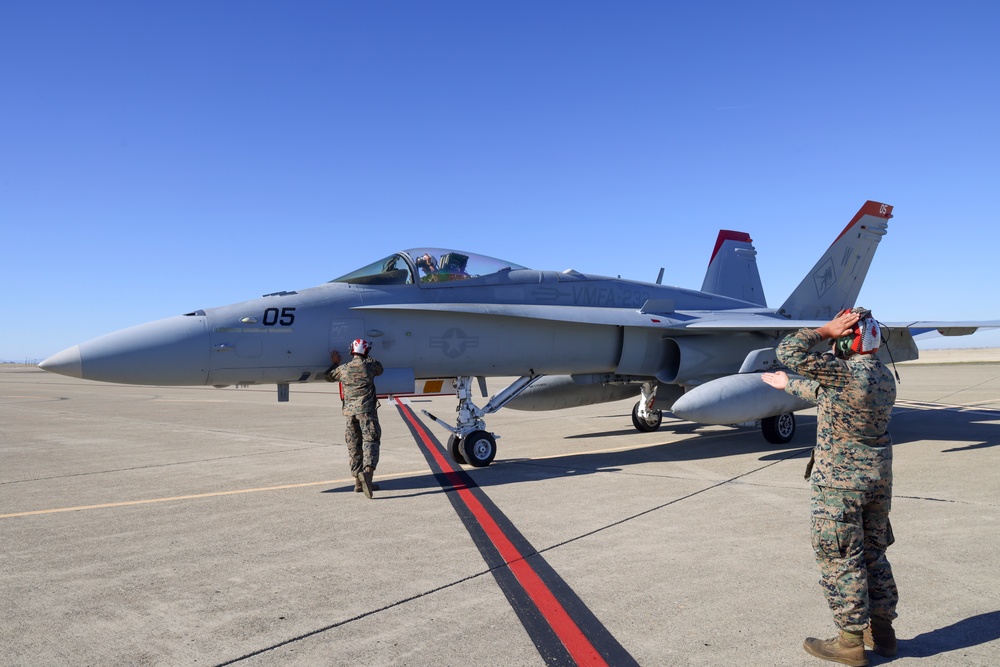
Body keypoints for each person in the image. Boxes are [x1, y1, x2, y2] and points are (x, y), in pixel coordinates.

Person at [761, 308, 898, 666]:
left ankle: (850, 642)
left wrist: (823, 329)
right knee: (874, 555)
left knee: (842, 560)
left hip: (840, 486)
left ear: (846, 340)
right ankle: (883, 634)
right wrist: (785, 384)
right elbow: (826, 391)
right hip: (876, 485)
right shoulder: (884, 377)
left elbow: (788, 352)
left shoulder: (842, 372)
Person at [325, 338, 384, 499]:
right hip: (367, 411)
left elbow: (329, 376)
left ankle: (358, 482)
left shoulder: (343, 369)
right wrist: (367, 356)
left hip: (350, 413)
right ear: (366, 352)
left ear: (351, 351)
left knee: (354, 444)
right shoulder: (369, 366)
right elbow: (380, 368)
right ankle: (368, 475)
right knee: (371, 440)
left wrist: (335, 362)